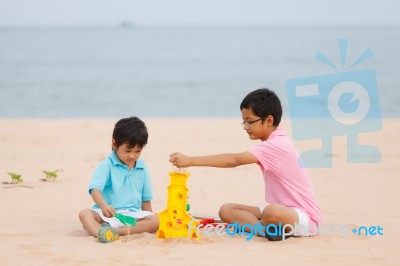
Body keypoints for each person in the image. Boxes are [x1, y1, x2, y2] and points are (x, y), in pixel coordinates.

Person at [169, 88, 321, 241]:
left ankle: (269, 226)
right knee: (227, 210)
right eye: (244, 122)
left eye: (250, 121)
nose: (246, 127)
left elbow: (234, 160)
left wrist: (190, 160)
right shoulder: (273, 142)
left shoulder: (276, 145)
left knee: (271, 212)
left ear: (269, 120)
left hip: (305, 218)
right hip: (284, 210)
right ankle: (266, 230)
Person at [79, 116, 159, 243]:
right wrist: (103, 205)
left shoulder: (142, 167)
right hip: (106, 214)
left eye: (137, 151)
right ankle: (101, 232)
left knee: (155, 220)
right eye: (127, 151)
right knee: (85, 214)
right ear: (115, 144)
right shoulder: (107, 165)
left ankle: (114, 232)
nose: (132, 156)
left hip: (132, 215)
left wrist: (149, 218)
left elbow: (146, 200)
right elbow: (95, 189)